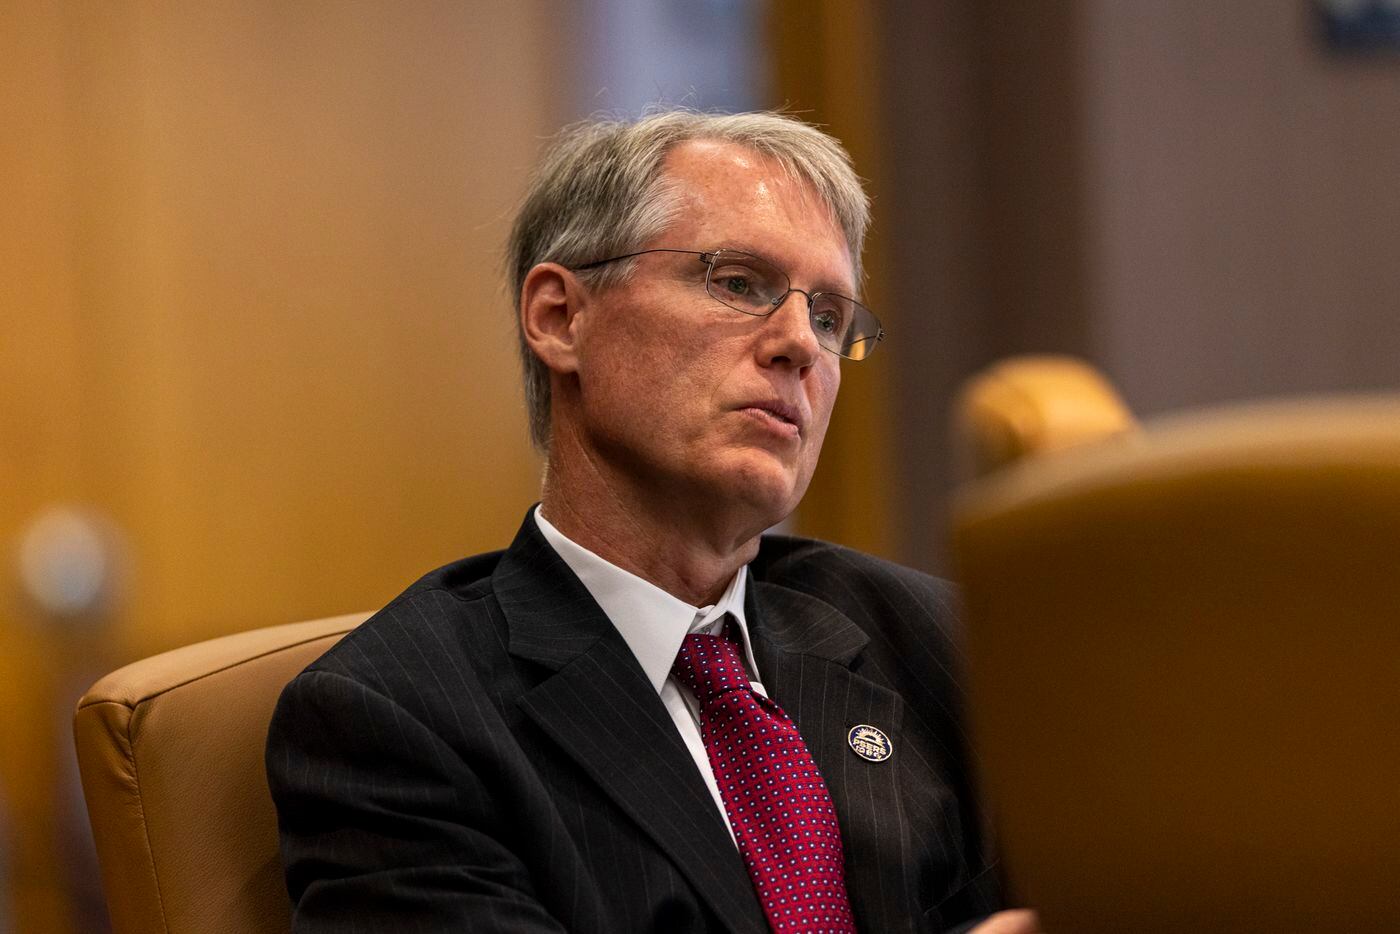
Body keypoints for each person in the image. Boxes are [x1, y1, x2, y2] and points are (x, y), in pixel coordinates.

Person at [266, 110, 1039, 934]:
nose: (799, 347)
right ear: (561, 318)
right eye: (739, 282)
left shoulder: (931, 642)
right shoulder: (396, 720)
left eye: (828, 316)